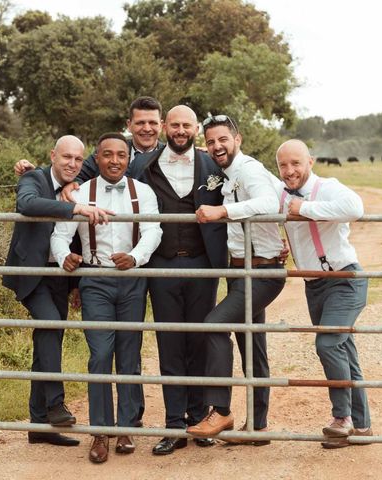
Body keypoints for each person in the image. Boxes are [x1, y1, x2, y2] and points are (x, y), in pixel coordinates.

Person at [50, 132, 162, 464]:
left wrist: (137, 257)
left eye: (121, 155)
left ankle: (127, 427)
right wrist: (63, 258)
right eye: (107, 155)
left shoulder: (143, 192)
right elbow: (60, 234)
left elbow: (155, 230)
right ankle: (100, 431)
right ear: (96, 159)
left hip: (131, 279)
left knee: (129, 351)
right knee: (100, 354)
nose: (114, 160)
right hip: (95, 279)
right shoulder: (81, 193)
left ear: (129, 159)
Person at [128, 105, 228, 455]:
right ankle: (173, 425)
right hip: (162, 266)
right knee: (169, 343)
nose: (181, 130)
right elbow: (105, 175)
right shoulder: (143, 165)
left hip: (203, 265)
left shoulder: (214, 166)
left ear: (196, 129)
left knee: (200, 341)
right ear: (165, 128)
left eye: (187, 125)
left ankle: (198, 420)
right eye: (175, 125)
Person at [2, 135, 111, 447]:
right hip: (32, 273)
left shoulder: (79, 183)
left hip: (60, 275)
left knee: (47, 340)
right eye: (67, 158)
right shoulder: (34, 178)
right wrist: (74, 207)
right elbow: (27, 204)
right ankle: (55, 404)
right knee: (51, 324)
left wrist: (76, 283)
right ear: (53, 155)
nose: (73, 164)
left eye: (78, 159)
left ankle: (38, 425)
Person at [188, 114, 285, 442]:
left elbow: (270, 202)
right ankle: (258, 427)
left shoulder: (248, 169)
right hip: (241, 271)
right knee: (252, 346)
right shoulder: (228, 173)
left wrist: (221, 212)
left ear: (237, 139)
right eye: (211, 141)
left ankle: (221, 411)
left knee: (214, 325)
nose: (217, 147)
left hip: (262, 273)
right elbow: (281, 192)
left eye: (223, 140)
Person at [275, 138, 372, 449]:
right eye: (283, 165)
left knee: (328, 343)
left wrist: (303, 208)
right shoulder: (280, 194)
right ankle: (362, 426)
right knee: (344, 351)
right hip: (313, 285)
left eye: (296, 163)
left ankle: (341, 418)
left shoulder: (327, 187)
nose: (290, 171)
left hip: (345, 279)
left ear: (310, 162)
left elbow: (355, 208)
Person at [14, 96, 165, 180]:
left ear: (161, 125)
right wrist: (36, 173)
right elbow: (73, 173)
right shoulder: (107, 151)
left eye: (152, 123)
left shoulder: (169, 154)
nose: (146, 128)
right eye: (140, 123)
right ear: (129, 125)